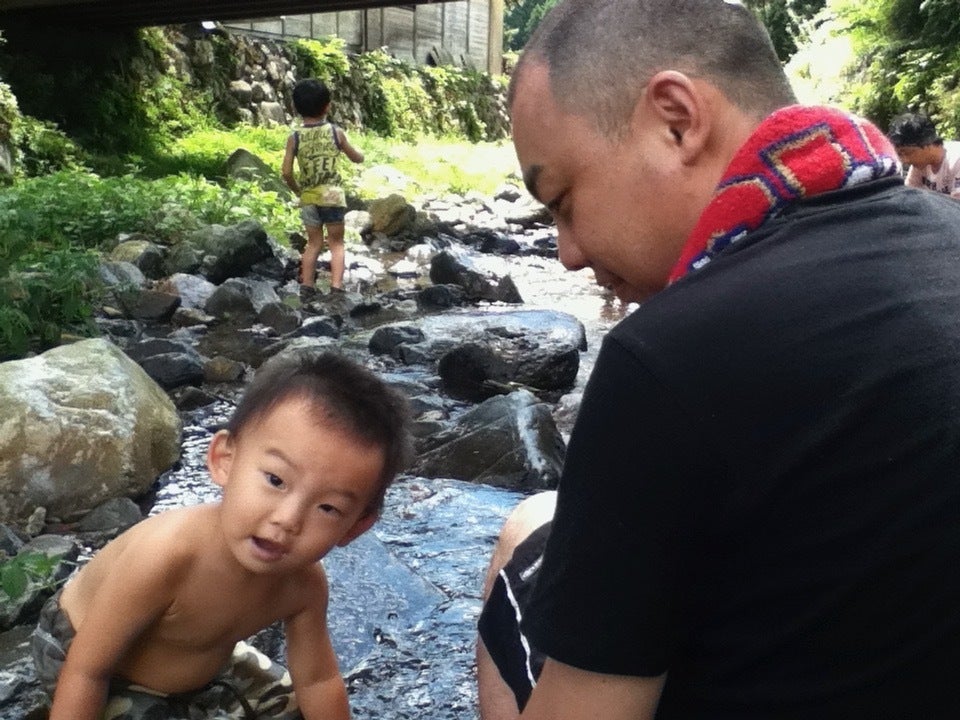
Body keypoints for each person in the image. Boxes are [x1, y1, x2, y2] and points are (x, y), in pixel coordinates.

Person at [476, 1, 960, 718]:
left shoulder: (665, 357)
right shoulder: (948, 231)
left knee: (526, 525)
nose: (567, 253)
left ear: (677, 120)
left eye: (563, 200)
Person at [32, 350, 412, 720]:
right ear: (224, 460)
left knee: (292, 705)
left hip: (205, 658)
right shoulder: (165, 556)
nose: (287, 520)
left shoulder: (305, 586)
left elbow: (318, 681)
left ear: (356, 526)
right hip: (91, 659)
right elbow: (87, 671)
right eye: (275, 480)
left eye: (328, 508)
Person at [282, 78, 364, 293]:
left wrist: (298, 191)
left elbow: (286, 172)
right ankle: (336, 287)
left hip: (309, 197)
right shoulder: (336, 133)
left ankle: (307, 286)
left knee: (313, 244)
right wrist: (361, 156)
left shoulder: (294, 138)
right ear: (327, 106)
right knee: (336, 244)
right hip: (332, 196)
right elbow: (356, 157)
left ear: (296, 108)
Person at [888, 112, 960, 199]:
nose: (905, 160)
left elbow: (957, 205)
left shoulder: (956, 160)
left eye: (908, 153)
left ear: (928, 144)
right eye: (900, 154)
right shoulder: (920, 165)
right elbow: (908, 196)